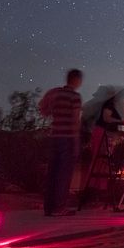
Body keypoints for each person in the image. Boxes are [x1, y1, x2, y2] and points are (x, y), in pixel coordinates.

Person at [39, 68, 84, 216]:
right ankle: (59, 207)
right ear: (76, 80)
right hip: (68, 138)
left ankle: (49, 208)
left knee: (52, 172)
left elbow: (43, 108)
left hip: (54, 136)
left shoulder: (54, 93)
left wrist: (54, 114)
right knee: (64, 174)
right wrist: (76, 143)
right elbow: (75, 120)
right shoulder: (75, 96)